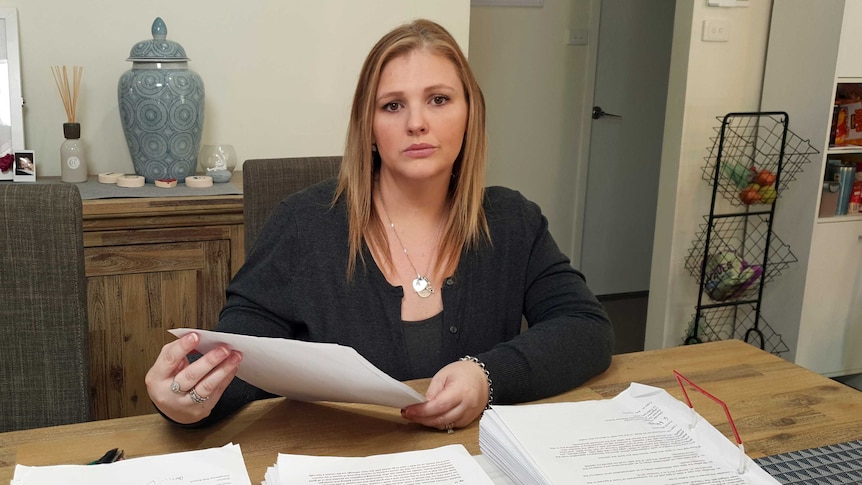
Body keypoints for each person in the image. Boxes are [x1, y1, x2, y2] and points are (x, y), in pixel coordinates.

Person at [145, 18, 614, 431]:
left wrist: (486, 375)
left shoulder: (513, 220)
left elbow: (586, 328)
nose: (417, 123)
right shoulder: (304, 224)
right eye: (392, 105)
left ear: (470, 114)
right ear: (367, 126)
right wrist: (189, 401)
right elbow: (242, 355)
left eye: (438, 99)